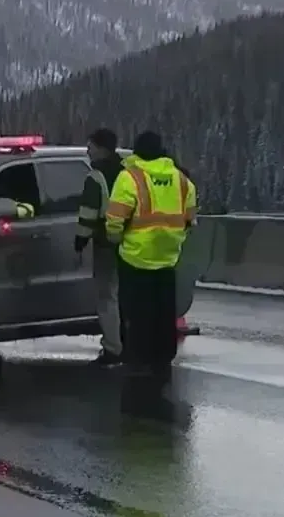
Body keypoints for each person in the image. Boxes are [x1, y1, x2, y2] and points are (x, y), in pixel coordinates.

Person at [104, 131, 197, 376]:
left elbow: (115, 217)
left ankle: (138, 357)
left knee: (136, 310)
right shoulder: (181, 179)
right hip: (168, 256)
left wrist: (115, 239)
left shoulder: (129, 177)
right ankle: (163, 356)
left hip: (135, 255)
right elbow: (190, 217)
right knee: (163, 310)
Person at [74, 128, 125, 366]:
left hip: (106, 242)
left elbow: (88, 214)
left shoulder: (96, 177)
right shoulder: (126, 174)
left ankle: (113, 348)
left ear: (102, 148)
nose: (88, 151)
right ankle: (129, 343)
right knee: (124, 297)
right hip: (131, 243)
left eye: (90, 147)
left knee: (107, 298)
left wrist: (80, 240)